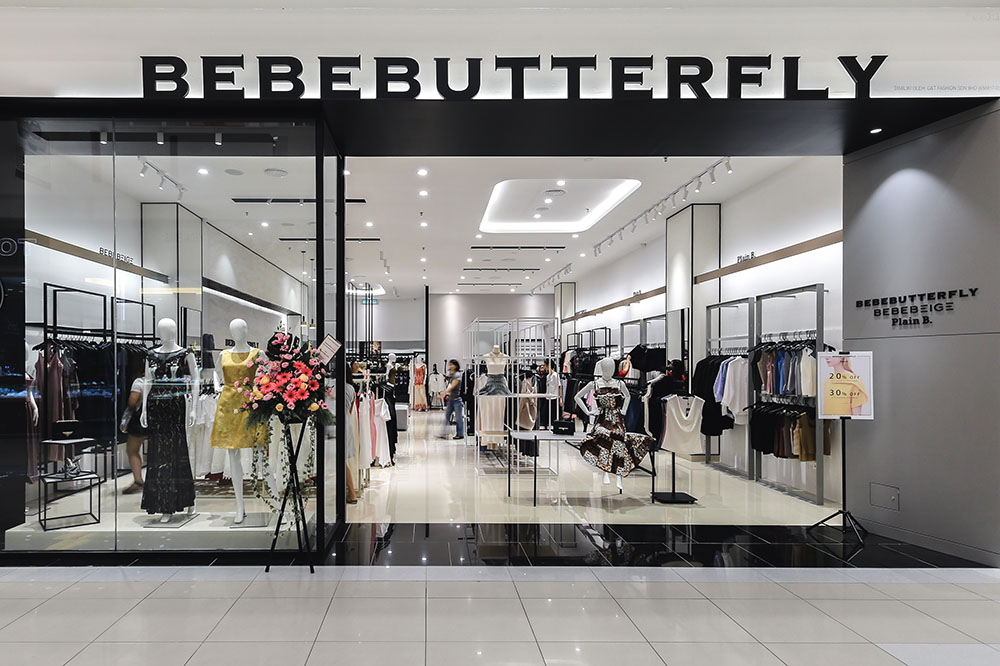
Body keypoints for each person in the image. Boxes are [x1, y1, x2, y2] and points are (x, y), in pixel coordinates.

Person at [436, 359, 465, 440]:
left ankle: (460, 434)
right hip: (451, 399)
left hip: (457, 400)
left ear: (456, 366)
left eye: (451, 365)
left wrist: (443, 394)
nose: (450, 366)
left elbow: (452, 386)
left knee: (458, 418)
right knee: (447, 416)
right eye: (449, 365)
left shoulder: (457, 375)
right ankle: (444, 433)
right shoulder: (452, 374)